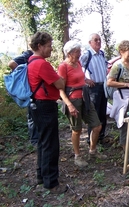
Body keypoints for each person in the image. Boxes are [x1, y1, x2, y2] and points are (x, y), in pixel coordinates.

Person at [27, 31, 66, 193]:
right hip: (45, 107)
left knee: (43, 141)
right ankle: (51, 182)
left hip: (36, 105)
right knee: (51, 144)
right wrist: (60, 78)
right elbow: (60, 84)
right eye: (49, 46)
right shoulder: (42, 64)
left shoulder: (30, 61)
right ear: (39, 46)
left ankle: (41, 176)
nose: (51, 49)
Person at [58, 40, 106, 167]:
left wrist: (86, 79)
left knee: (97, 126)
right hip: (73, 100)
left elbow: (79, 77)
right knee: (77, 130)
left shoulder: (78, 62)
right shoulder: (63, 66)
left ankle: (93, 151)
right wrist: (69, 105)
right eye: (77, 51)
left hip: (85, 97)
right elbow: (61, 89)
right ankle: (77, 156)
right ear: (69, 53)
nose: (80, 54)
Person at [107, 40, 129, 156]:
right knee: (125, 124)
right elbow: (109, 82)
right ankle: (126, 152)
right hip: (123, 99)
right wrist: (126, 85)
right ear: (122, 52)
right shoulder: (117, 66)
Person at [80, 33, 107, 145]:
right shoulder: (87, 55)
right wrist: (86, 80)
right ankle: (91, 141)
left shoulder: (101, 54)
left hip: (103, 86)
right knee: (94, 114)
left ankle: (100, 138)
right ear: (90, 42)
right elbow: (78, 68)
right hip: (93, 88)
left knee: (102, 112)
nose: (98, 42)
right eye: (95, 40)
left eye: (99, 40)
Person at [8, 50, 38, 145]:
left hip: (32, 90)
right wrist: (23, 74)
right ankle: (35, 140)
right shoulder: (28, 54)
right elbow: (11, 63)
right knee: (32, 116)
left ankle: (37, 139)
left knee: (33, 115)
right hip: (28, 89)